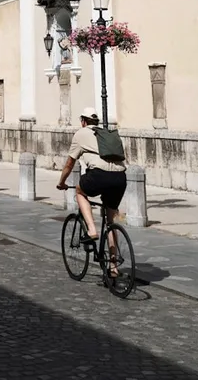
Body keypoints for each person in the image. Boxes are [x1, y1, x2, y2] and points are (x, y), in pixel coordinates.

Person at [57, 107, 127, 274]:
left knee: (80, 192)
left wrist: (61, 182)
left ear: (83, 121)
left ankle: (91, 229)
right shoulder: (106, 134)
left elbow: (69, 164)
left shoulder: (80, 134)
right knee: (111, 221)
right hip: (120, 178)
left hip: (99, 175)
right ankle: (113, 266)